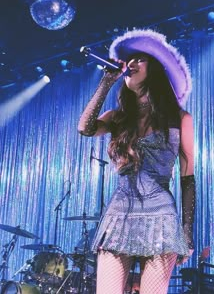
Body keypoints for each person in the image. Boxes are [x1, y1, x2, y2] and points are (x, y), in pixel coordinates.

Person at [78, 29, 196, 294]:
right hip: (120, 214)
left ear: (155, 69)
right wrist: (106, 83)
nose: (130, 64)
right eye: (129, 60)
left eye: (139, 59)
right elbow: (85, 128)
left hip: (162, 218)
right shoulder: (118, 117)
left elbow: (188, 178)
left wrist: (187, 233)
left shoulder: (180, 119)